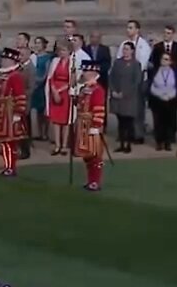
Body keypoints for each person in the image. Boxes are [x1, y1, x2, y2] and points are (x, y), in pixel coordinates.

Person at [0, 47, 28, 177]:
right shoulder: (4, 75)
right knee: (3, 142)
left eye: (6, 59)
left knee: (10, 142)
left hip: (10, 113)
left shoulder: (15, 76)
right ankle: (7, 165)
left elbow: (20, 96)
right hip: (1, 112)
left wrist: (18, 113)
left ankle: (11, 166)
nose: (3, 61)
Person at [74, 60, 108, 192]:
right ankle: (90, 180)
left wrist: (96, 124)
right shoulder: (85, 88)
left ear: (93, 72)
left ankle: (95, 181)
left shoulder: (98, 90)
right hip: (83, 124)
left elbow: (99, 108)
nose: (84, 73)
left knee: (95, 155)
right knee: (87, 155)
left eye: (86, 71)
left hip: (92, 125)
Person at [110, 41, 143, 154]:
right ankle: (122, 144)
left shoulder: (136, 64)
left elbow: (137, 82)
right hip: (117, 97)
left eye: (127, 49)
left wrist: (125, 93)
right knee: (120, 122)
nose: (125, 51)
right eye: (124, 49)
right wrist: (113, 90)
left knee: (128, 122)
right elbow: (111, 77)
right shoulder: (117, 63)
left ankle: (128, 144)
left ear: (132, 51)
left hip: (129, 98)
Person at [148, 52, 177, 151]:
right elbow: (151, 86)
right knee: (158, 122)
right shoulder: (155, 71)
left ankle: (168, 142)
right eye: (163, 59)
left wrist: (169, 96)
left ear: (171, 62)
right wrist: (159, 95)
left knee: (169, 122)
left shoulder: (175, 73)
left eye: (167, 59)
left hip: (170, 101)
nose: (164, 61)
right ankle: (159, 142)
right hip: (157, 101)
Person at [45, 41, 75, 156]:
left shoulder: (72, 63)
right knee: (56, 120)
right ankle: (57, 145)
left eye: (64, 50)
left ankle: (64, 145)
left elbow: (72, 80)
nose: (62, 53)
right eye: (60, 50)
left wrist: (60, 91)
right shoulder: (55, 61)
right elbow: (50, 77)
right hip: (54, 92)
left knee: (65, 121)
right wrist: (53, 90)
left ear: (69, 51)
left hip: (65, 93)